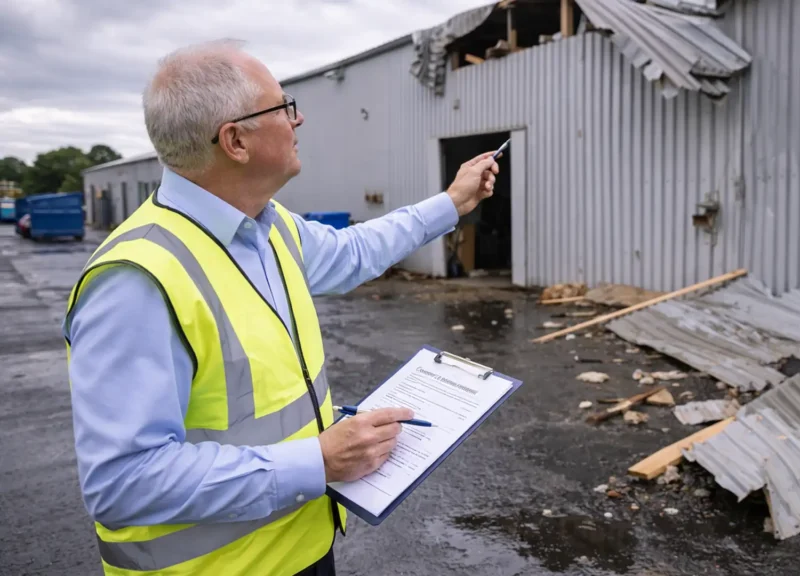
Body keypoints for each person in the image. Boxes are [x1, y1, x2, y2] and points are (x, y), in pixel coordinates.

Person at [63, 39, 498, 576]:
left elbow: (354, 251)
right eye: (283, 107)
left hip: (303, 550)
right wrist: (316, 461)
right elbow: (122, 483)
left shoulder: (268, 228)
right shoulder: (136, 280)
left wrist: (451, 202)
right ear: (236, 140)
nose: (299, 119)